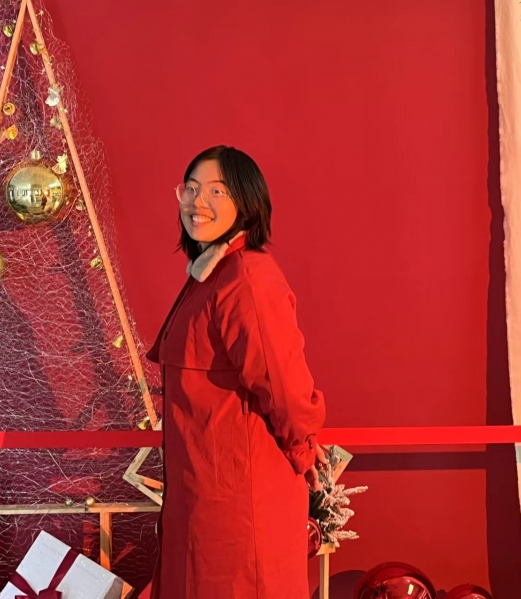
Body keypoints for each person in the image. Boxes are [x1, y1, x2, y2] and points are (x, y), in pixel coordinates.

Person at [146, 145, 327, 598]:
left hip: (239, 505)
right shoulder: (210, 276)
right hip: (202, 496)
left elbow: (285, 387)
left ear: (246, 201)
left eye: (216, 191)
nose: (197, 202)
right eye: (190, 189)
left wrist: (303, 450)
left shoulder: (247, 278)